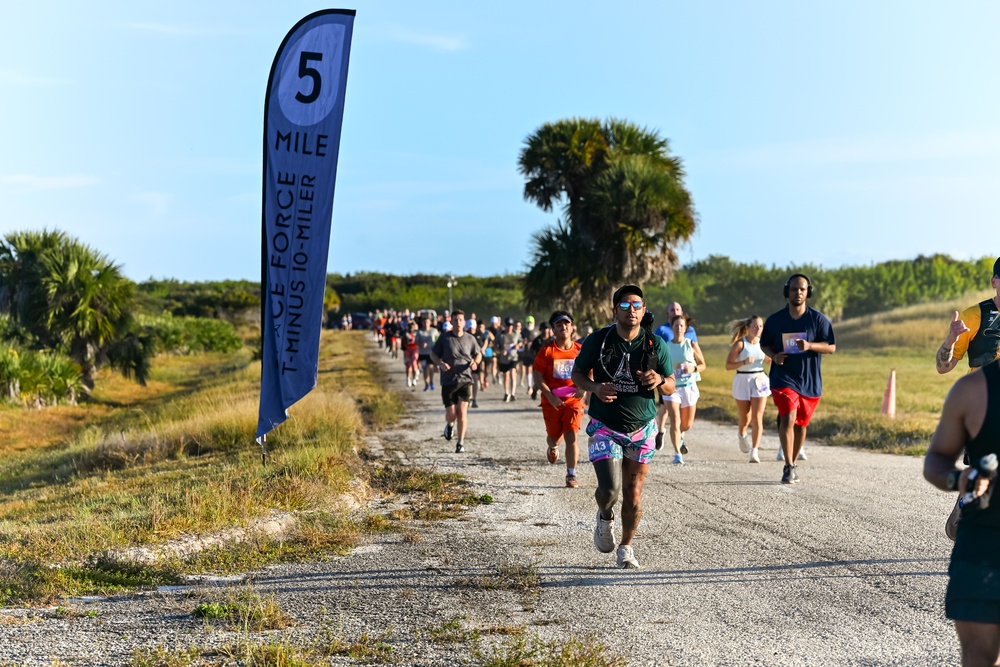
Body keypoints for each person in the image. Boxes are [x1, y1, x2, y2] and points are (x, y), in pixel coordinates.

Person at [572, 285, 674, 569]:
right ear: (614, 310)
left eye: (637, 305)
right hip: (605, 425)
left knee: (634, 494)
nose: (632, 310)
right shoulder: (599, 340)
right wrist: (594, 387)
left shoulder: (655, 344)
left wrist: (659, 381)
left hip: (642, 428)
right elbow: (577, 373)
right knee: (610, 491)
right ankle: (605, 517)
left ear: (644, 310)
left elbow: (671, 382)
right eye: (625, 305)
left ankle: (626, 548)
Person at [924, 358, 1000, 666]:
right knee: (981, 657)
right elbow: (936, 459)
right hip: (982, 545)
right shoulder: (973, 389)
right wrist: (960, 478)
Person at [760, 274, 836, 485]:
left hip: (810, 380)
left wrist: (811, 346)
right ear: (788, 292)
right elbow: (764, 343)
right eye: (794, 289)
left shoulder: (817, 319)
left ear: (808, 292)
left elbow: (831, 346)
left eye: (802, 289)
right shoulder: (775, 320)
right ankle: (788, 465)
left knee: (801, 425)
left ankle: (793, 463)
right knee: (788, 416)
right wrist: (774, 356)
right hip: (783, 377)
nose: (798, 293)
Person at [533, 312, 586, 488]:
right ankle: (553, 447)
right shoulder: (547, 351)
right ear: (553, 330)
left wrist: (583, 388)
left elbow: (590, 370)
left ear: (572, 328)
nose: (563, 327)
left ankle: (571, 474)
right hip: (552, 402)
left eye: (566, 324)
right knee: (554, 438)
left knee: (571, 435)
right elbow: (538, 376)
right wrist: (550, 396)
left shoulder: (580, 350)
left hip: (574, 401)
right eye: (559, 325)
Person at [430, 310, 482, 454]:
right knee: (452, 414)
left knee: (462, 412)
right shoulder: (444, 338)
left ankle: (460, 443)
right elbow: (433, 354)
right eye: (455, 320)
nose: (458, 322)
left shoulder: (470, 339)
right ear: (451, 322)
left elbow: (478, 354)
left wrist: (475, 363)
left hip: (465, 379)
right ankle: (449, 424)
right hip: (448, 380)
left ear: (464, 322)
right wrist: (440, 364)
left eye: (460, 320)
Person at [937, 257, 1000, 376]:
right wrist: (950, 340)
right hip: (984, 391)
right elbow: (943, 368)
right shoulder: (972, 316)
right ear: (993, 282)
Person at [656, 314, 706, 464]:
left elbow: (703, 365)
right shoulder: (666, 346)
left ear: (686, 328)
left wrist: (693, 368)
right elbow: (659, 366)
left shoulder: (691, 344)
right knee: (675, 420)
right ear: (671, 327)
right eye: (676, 325)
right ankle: (677, 453)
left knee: (687, 424)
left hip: (689, 387)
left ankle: (681, 436)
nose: (679, 328)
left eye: (681, 326)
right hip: (672, 388)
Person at [725, 315, 771, 463]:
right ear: (747, 328)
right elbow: (728, 365)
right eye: (756, 326)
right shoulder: (740, 345)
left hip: (759, 380)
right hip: (742, 379)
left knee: (758, 416)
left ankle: (755, 450)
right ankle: (742, 434)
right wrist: (743, 362)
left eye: (761, 326)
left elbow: (769, 360)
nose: (758, 329)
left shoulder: (764, 344)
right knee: (745, 417)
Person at [497, 318, 522, 402]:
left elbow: (521, 342)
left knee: (513, 374)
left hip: (513, 357)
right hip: (504, 359)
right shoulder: (501, 335)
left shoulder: (516, 334)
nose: (509, 328)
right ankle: (506, 393)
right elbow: (495, 346)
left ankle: (513, 394)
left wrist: (518, 346)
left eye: (511, 326)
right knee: (506, 376)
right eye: (508, 326)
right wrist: (501, 351)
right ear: (505, 326)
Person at [415, 317, 440, 391]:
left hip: (431, 353)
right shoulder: (419, 332)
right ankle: (426, 384)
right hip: (422, 353)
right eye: (424, 322)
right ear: (422, 323)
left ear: (430, 323)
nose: (426, 324)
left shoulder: (434, 331)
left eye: (427, 322)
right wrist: (421, 344)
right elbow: (416, 341)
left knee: (431, 367)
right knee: (425, 369)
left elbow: (438, 340)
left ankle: (431, 381)